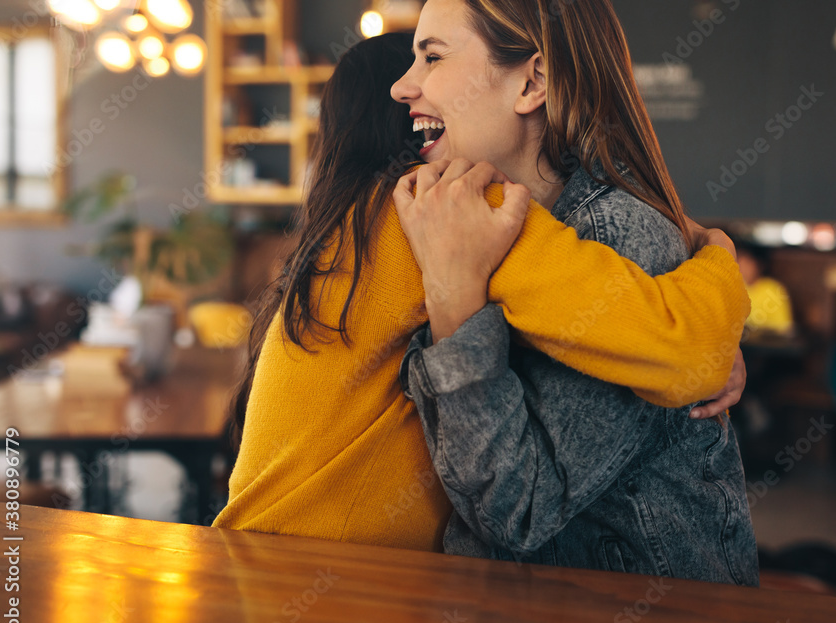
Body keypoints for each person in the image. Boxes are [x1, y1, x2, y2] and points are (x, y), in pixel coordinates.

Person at [214, 32, 749, 570]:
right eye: (419, 62)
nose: (412, 85)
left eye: (436, 59)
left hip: (261, 570)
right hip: (334, 592)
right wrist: (713, 256)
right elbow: (686, 346)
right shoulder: (440, 206)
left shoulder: (350, 230)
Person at [392, 0, 758, 585]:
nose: (402, 85)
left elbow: (516, 512)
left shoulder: (618, 238)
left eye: (431, 56)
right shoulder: (458, 219)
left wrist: (455, 305)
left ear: (532, 82)